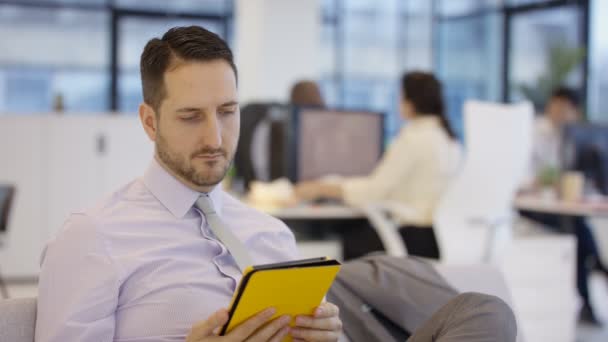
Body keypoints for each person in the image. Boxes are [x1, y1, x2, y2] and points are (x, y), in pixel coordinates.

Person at [35, 26, 514, 342]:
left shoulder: (270, 232)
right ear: (149, 121)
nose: (215, 137)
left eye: (227, 112)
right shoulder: (93, 237)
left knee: (485, 313)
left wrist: (328, 332)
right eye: (190, 116)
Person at [295, 72, 461, 260]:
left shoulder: (413, 139)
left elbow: (375, 190)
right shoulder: (449, 140)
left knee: (348, 242)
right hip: (439, 238)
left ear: (410, 102)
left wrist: (322, 189)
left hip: (413, 237)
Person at [520, 87, 608, 326]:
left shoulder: (570, 138)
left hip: (557, 205)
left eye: (566, 108)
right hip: (529, 204)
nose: (558, 111)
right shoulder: (533, 132)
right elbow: (522, 175)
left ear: (575, 113)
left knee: (579, 229)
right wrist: (542, 182)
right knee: (578, 233)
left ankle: (593, 285)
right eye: (555, 104)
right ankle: (598, 271)